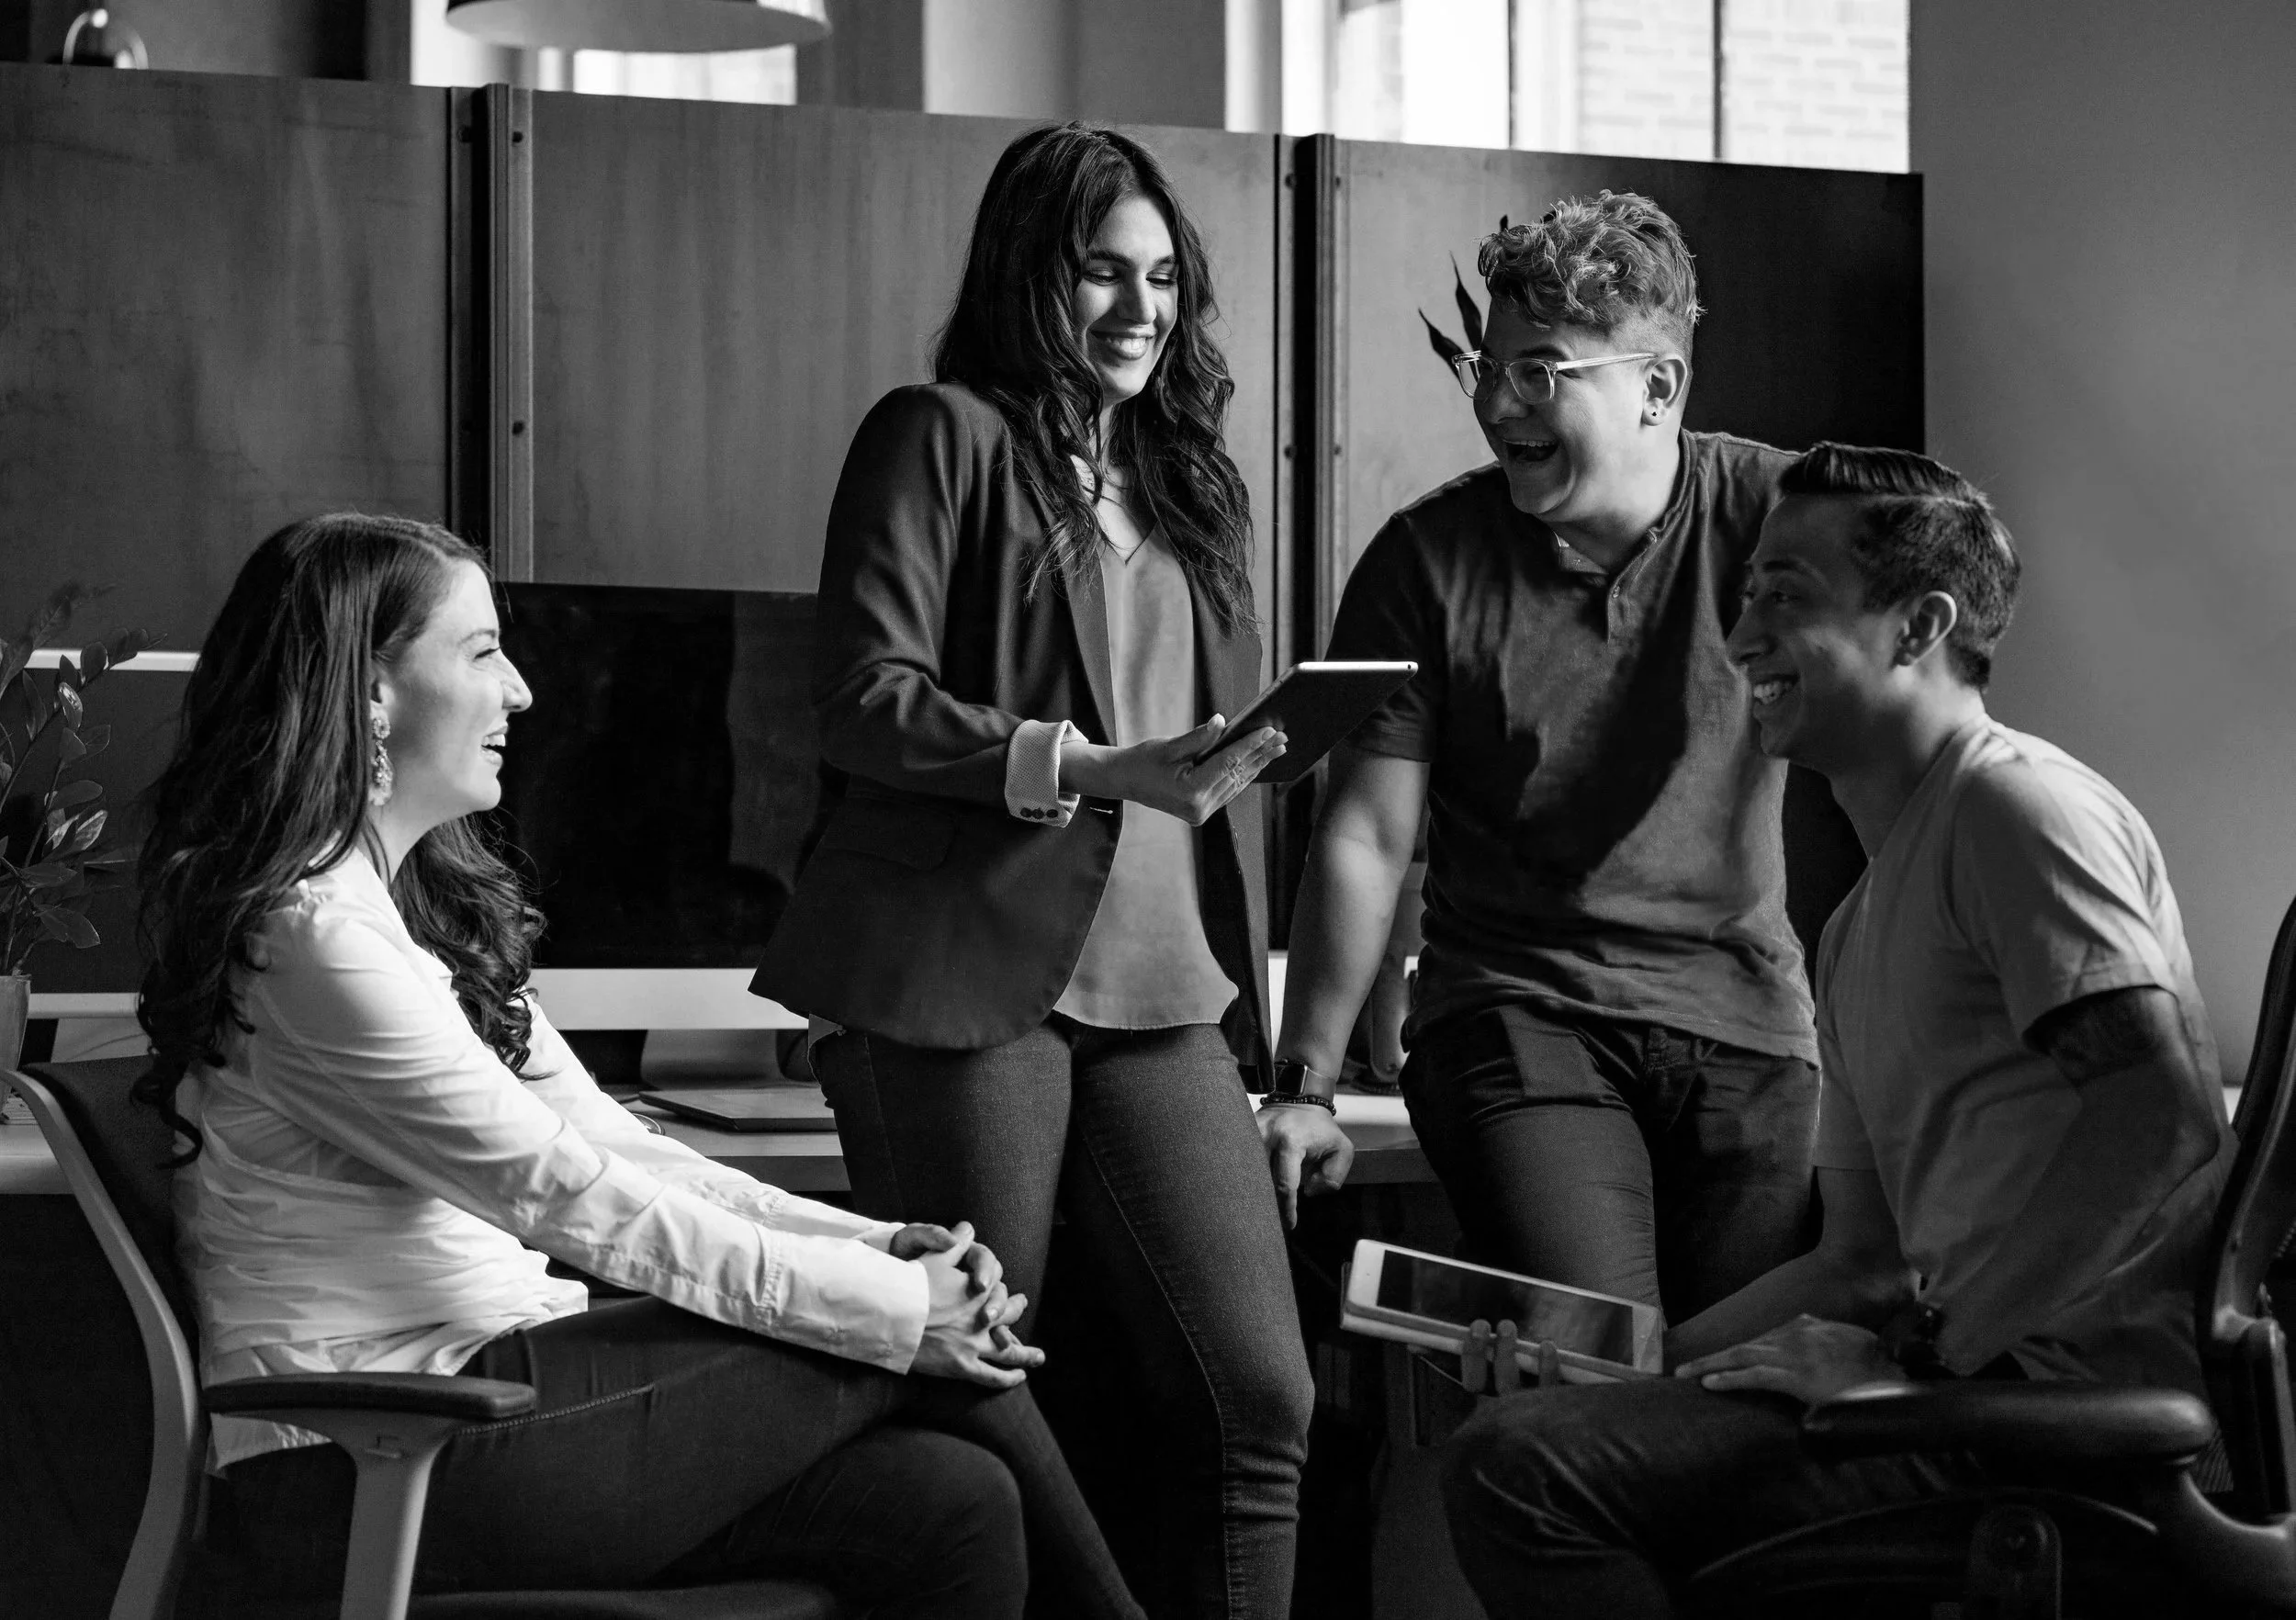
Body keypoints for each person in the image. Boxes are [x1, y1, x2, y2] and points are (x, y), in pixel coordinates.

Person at [133, 513, 1142, 1619]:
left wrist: (876, 1247)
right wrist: (904, 1305)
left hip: (501, 1397)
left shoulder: (416, 920)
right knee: (890, 1342)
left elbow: (619, 1147)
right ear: (368, 693)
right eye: (480, 653)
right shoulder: (311, 937)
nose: (520, 690)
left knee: (952, 1500)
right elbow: (563, 1193)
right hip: (366, 1454)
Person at [1440, 444, 2231, 1618]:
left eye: (1785, 596)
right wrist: (1625, 1366)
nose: (1741, 635)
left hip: (2062, 1428)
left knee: (1525, 1474)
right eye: (1746, 590)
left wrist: (1918, 1360)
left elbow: (2156, 1117)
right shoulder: (1858, 923)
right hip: (1972, 1387)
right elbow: (1859, 1261)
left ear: (1919, 628)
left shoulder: (2015, 808)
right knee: (1537, 1429)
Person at [750, 122, 1314, 1619]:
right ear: (1028, 274)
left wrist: (1253, 752)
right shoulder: (940, 434)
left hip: (1166, 988)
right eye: (1101, 273)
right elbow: (863, 693)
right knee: (979, 1378)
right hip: (959, 982)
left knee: (1262, 1395)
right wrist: (1080, 759)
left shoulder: (1190, 484)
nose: (1141, 309)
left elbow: (1183, 750)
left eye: (1163, 280)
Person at [1262, 191, 1821, 1323]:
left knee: (1736, 1396)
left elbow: (1936, 623)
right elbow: (1367, 836)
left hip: (1749, 1023)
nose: (1493, 401)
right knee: (1604, 1355)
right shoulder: (1426, 561)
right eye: (1487, 366)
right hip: (1518, 1016)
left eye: (1540, 372)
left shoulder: (1780, 515)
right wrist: (1303, 1087)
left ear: (1656, 388)